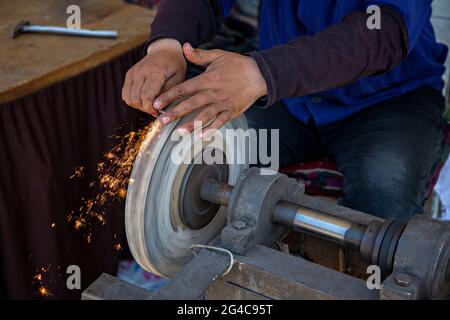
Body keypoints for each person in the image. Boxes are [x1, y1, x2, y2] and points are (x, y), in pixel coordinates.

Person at [121, 0, 448, 221]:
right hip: (287, 100)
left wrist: (262, 74)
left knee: (381, 208)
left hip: (388, 101)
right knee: (206, 164)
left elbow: (382, 31)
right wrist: (167, 45)